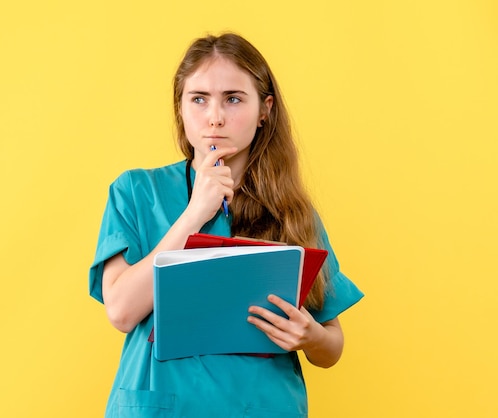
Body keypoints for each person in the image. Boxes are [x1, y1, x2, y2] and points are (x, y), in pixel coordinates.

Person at [89, 32, 363, 417]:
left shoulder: (291, 211)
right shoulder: (135, 192)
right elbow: (120, 311)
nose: (215, 117)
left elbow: (331, 346)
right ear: (180, 108)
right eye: (198, 99)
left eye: (233, 99)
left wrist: (310, 336)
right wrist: (194, 214)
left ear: (264, 109)